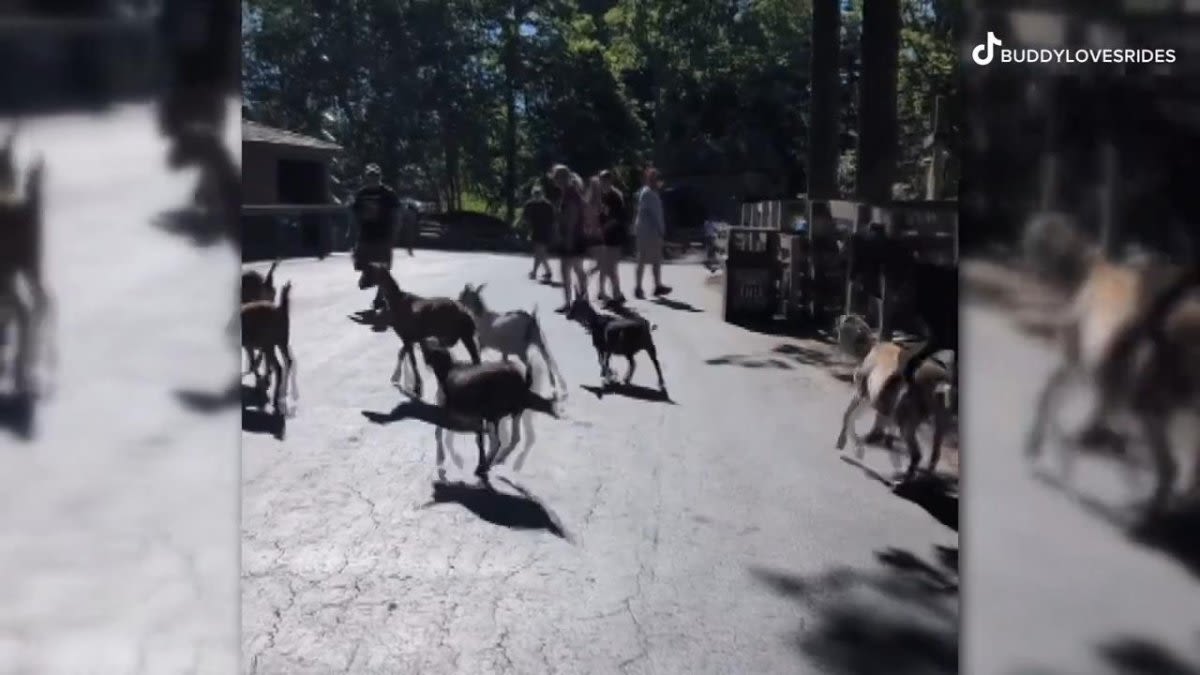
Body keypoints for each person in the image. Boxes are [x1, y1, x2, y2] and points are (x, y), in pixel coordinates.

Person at [549, 164, 588, 312]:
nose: (554, 181)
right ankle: (582, 298)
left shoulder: (570, 194)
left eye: (556, 177)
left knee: (566, 270)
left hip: (572, 238)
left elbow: (573, 217)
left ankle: (569, 302)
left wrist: (568, 240)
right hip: (576, 237)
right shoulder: (570, 193)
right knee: (578, 269)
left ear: (562, 178)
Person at [350, 163, 400, 272]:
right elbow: (355, 214)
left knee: (383, 269)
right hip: (366, 236)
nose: (373, 179)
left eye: (376, 176)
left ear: (380, 177)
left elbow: (396, 214)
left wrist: (394, 233)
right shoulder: (361, 194)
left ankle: (382, 286)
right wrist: (353, 235)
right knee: (360, 266)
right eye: (370, 176)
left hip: (383, 236)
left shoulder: (388, 193)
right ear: (366, 177)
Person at [633, 167, 672, 299]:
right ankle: (639, 287)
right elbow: (655, 215)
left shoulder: (649, 193)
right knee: (643, 258)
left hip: (648, 230)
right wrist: (662, 230)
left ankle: (657, 285)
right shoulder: (649, 194)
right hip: (648, 231)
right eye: (656, 179)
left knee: (654, 259)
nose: (659, 182)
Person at [597, 170, 628, 305]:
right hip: (605, 236)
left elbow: (618, 218)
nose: (603, 183)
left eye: (606, 180)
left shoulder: (615, 196)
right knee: (604, 266)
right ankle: (602, 291)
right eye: (602, 180)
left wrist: (605, 226)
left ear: (610, 181)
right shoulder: (602, 195)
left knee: (610, 267)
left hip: (614, 236)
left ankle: (617, 293)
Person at [522, 185, 555, 281]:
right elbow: (525, 218)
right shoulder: (530, 204)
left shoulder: (547, 205)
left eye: (539, 194)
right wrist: (527, 229)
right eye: (535, 194)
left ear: (542, 194)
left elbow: (552, 220)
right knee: (539, 252)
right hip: (535, 230)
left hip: (545, 230)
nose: (537, 196)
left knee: (539, 251)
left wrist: (553, 232)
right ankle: (545, 271)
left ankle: (537, 272)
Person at [582, 175, 605, 300]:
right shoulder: (590, 204)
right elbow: (590, 221)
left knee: (602, 265)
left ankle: (600, 290)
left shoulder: (598, 202)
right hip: (594, 237)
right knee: (600, 264)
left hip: (599, 236)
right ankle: (584, 281)